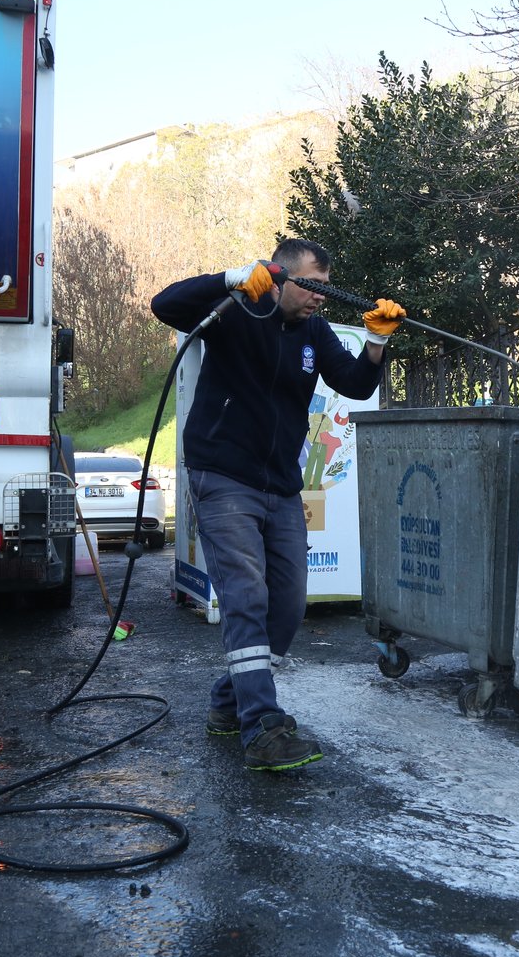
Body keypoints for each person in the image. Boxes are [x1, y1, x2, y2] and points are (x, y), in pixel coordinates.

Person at [151, 239, 405, 771]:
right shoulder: (239, 309)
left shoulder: (315, 331)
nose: (319, 299)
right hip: (222, 476)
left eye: (325, 290)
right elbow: (165, 305)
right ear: (280, 276)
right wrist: (229, 279)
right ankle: (262, 726)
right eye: (312, 286)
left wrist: (377, 343)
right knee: (245, 595)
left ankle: (227, 703)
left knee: (286, 608)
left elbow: (356, 385)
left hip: (281, 486)